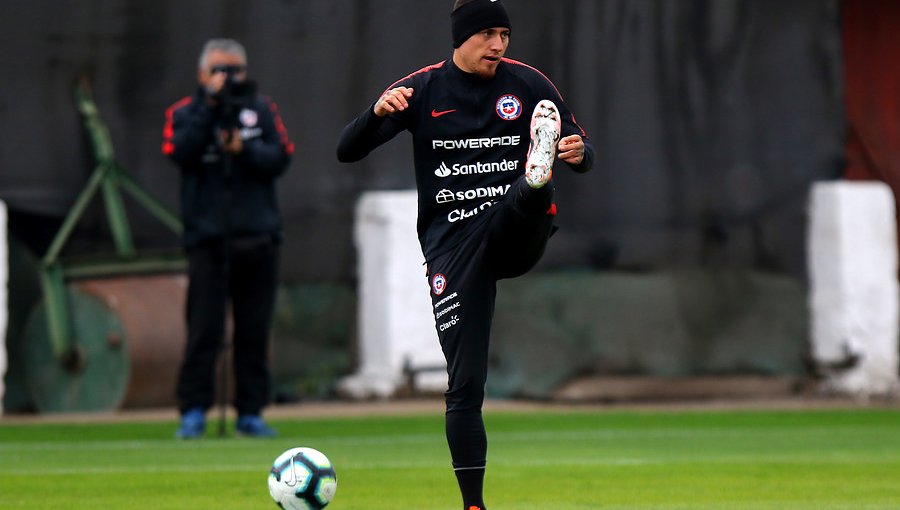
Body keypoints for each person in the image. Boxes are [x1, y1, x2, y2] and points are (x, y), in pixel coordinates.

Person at [337, 1, 594, 508]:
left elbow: (584, 153)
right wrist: (375, 113)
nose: (499, 44)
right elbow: (348, 149)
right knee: (464, 385)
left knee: (522, 197)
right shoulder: (424, 89)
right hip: (453, 249)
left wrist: (578, 153)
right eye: (488, 34)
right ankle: (473, 504)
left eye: (505, 34)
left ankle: (534, 181)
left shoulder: (530, 86)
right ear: (462, 37)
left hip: (515, 231)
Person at [162, 38, 294, 438]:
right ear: (203, 74)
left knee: (254, 331)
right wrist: (211, 110)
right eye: (220, 70)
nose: (228, 77)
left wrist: (243, 151)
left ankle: (250, 412)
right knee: (204, 330)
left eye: (235, 70)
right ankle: (194, 411)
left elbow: (281, 156)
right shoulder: (184, 112)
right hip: (208, 239)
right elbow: (179, 152)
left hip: (258, 239)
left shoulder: (261, 109)